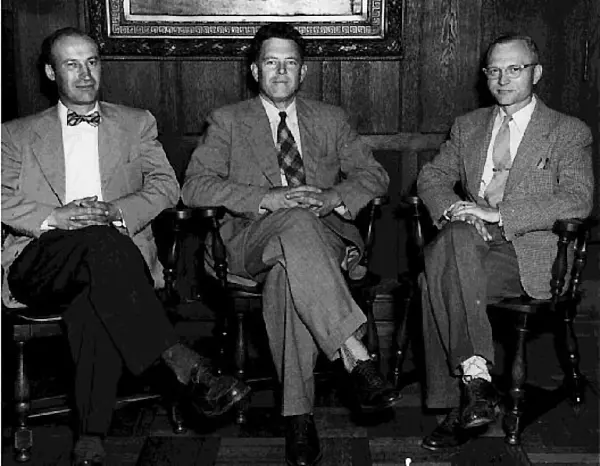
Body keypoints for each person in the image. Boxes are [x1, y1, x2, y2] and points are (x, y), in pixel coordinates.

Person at [1, 27, 250, 466]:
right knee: (96, 244)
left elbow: (165, 186)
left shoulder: (136, 123)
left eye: (92, 62)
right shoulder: (15, 134)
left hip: (112, 257)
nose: (84, 74)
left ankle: (91, 435)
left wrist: (115, 210)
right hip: (39, 259)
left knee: (96, 285)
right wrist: (56, 218)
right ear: (49, 71)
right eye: (71, 64)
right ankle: (180, 360)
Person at [182, 22, 400, 466]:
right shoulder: (227, 121)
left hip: (320, 242)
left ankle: (299, 419)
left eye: (291, 63)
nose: (281, 71)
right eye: (271, 62)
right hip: (249, 244)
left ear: (303, 72)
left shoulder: (331, 118)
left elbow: (374, 175)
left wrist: (334, 197)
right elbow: (194, 187)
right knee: (292, 220)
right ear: (254, 70)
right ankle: (354, 354)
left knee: (288, 271)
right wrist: (266, 199)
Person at [417, 34, 594, 451]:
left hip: (532, 252)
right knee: (456, 235)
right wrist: (456, 210)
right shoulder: (469, 125)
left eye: (514, 69)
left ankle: (456, 403)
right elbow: (431, 177)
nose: (503, 79)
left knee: (432, 283)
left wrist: (500, 215)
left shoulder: (567, 131)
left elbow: (578, 198)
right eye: (494, 70)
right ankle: (477, 379)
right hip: (471, 240)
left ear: (536, 72)